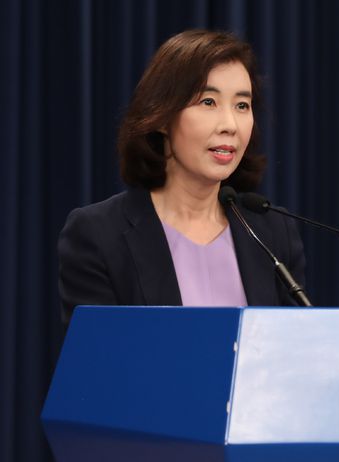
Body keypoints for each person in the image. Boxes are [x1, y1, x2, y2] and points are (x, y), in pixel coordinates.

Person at [58, 30, 306, 324]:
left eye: (242, 105)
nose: (230, 125)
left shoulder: (274, 233)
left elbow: (294, 347)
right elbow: (99, 352)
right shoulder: (99, 235)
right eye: (208, 102)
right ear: (161, 117)